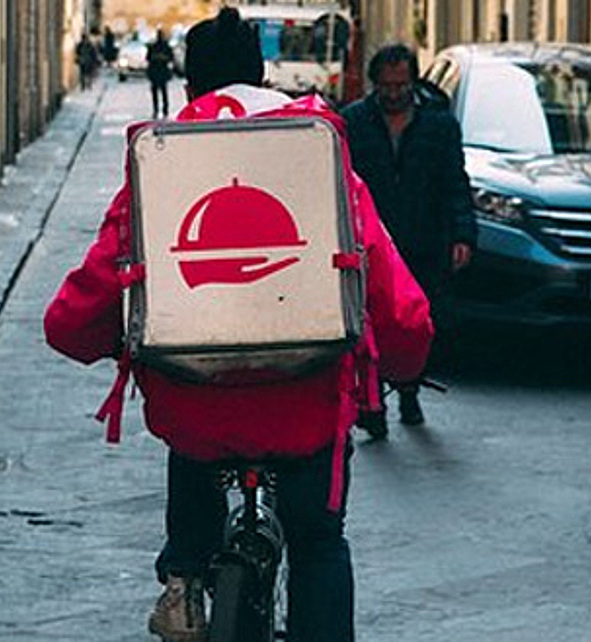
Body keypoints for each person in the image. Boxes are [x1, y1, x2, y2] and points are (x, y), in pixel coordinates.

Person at [44, 8, 433, 641]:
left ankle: (184, 579)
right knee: (318, 543)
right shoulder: (318, 154)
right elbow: (388, 288)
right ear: (263, 76)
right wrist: (407, 359)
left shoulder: (162, 163)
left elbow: (83, 305)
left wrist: (92, 335)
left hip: (196, 410)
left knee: (192, 437)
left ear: (192, 88)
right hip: (306, 406)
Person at [341, 44, 477, 437]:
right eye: (387, 85)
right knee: (372, 325)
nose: (394, 93)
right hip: (373, 244)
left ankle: (409, 390)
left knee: (417, 325)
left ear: (413, 82)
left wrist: (463, 234)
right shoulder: (355, 123)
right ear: (375, 84)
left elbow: (455, 182)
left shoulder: (439, 126)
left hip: (425, 240)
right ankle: (374, 404)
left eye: (401, 85)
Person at [146, 28, 174, 118]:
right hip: (157, 71)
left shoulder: (165, 46)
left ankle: (163, 110)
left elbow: (170, 58)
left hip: (160, 71)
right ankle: (158, 109)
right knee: (159, 92)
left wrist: (162, 58)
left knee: (162, 92)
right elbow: (148, 58)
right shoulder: (154, 46)